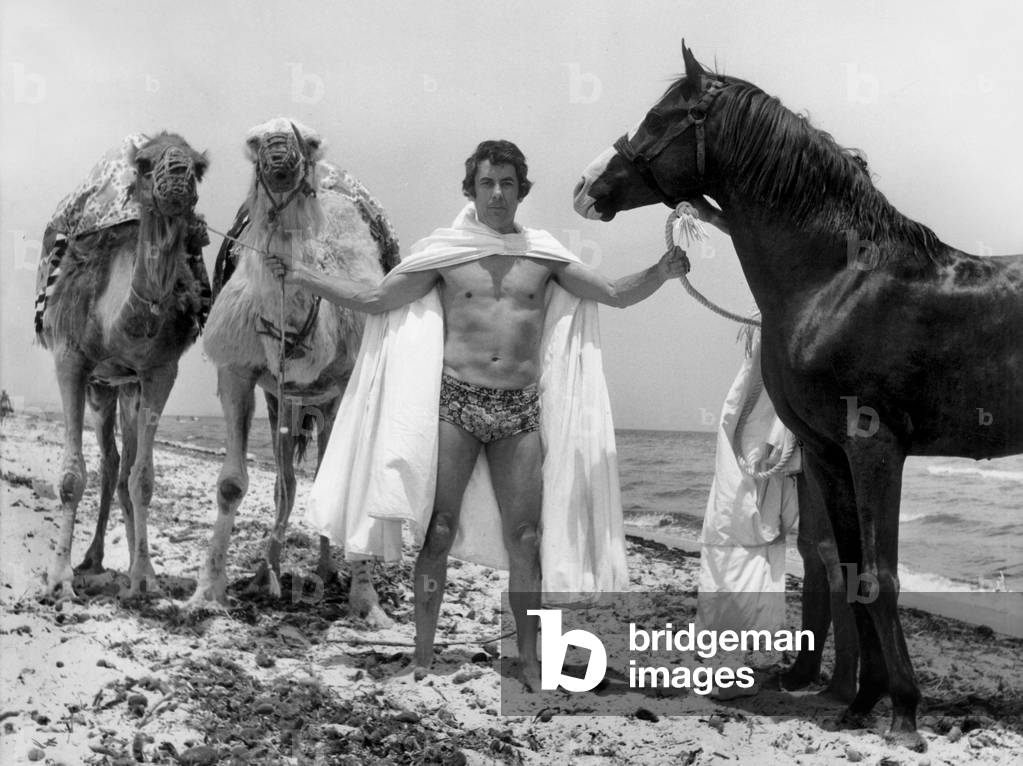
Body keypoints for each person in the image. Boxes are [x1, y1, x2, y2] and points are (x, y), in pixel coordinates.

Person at [267, 140, 690, 690]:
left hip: (519, 411)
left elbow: (611, 293)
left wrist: (661, 270)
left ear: (521, 191)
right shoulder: (445, 253)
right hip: (456, 403)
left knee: (528, 540)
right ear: (471, 190)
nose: (497, 194)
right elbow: (376, 298)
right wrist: (302, 276)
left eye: (508, 184)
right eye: (487, 183)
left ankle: (533, 662)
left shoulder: (543, 256)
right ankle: (422, 657)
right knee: (438, 532)